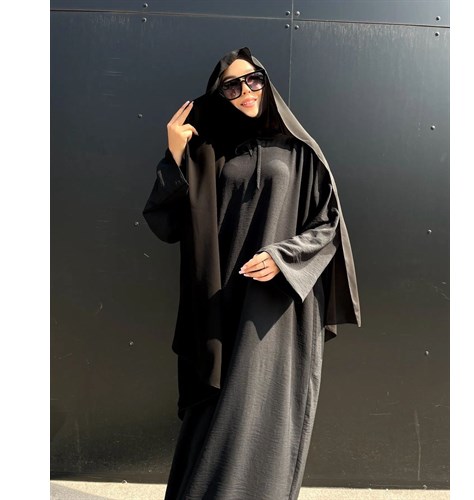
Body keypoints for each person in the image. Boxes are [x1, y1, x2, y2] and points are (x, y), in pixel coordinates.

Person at [143, 47, 361, 500]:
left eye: (254, 79)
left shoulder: (299, 152)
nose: (246, 90)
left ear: (266, 82)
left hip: (276, 305)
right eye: (232, 85)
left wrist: (283, 257)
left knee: (259, 412)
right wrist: (175, 156)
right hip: (220, 302)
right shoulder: (210, 153)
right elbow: (169, 224)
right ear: (219, 95)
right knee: (215, 413)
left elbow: (328, 224)